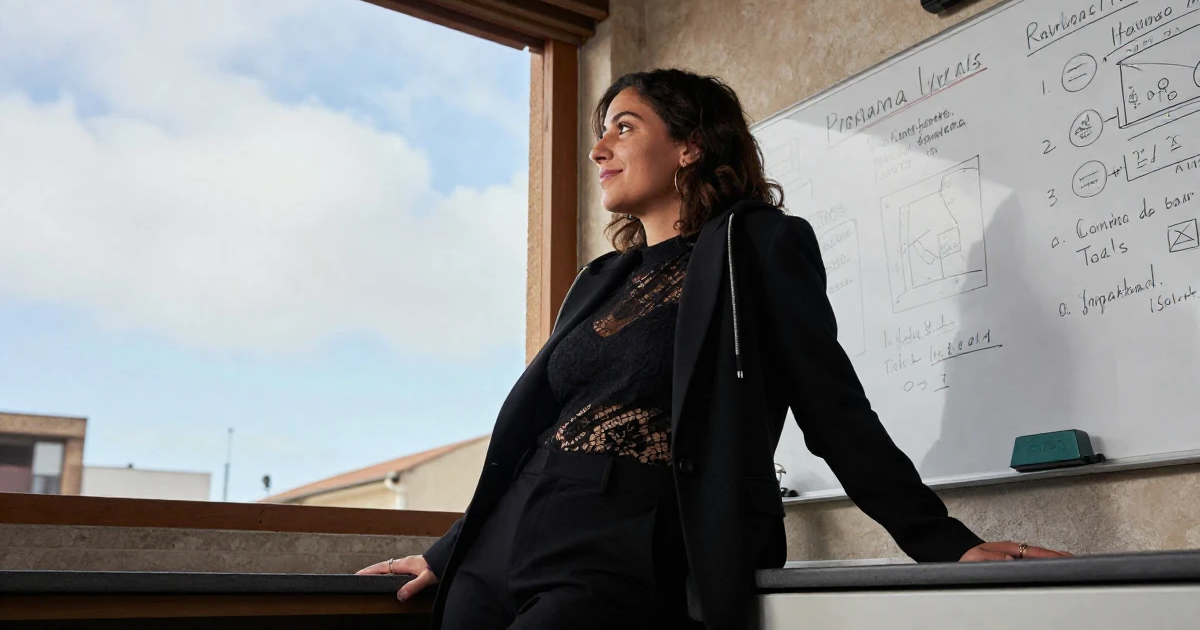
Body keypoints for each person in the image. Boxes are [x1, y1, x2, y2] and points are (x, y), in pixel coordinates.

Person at [357, 68, 1070, 629]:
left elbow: (833, 408)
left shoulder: (757, 245)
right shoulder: (600, 279)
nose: (599, 148)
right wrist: (448, 550)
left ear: (690, 144)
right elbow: (533, 433)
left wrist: (945, 542)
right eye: (600, 132)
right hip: (505, 540)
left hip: (627, 540)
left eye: (624, 127)